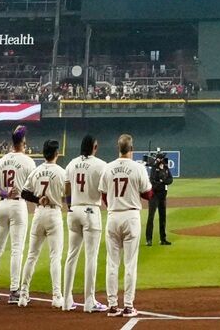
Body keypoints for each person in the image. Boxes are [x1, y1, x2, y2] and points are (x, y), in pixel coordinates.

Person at [102, 133, 152, 316]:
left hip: (113, 216)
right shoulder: (138, 168)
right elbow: (148, 195)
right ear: (131, 149)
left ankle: (112, 305)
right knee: (130, 263)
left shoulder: (108, 168)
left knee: (112, 263)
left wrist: (115, 205)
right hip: (131, 216)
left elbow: (103, 195)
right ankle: (129, 305)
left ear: (118, 148)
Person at [17, 138, 68, 308]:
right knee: (55, 257)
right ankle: (56, 296)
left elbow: (24, 193)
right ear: (56, 153)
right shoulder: (62, 172)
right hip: (54, 213)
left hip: (39, 213)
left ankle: (23, 295)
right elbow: (68, 196)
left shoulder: (36, 171)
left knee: (32, 255)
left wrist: (38, 198)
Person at [0, 127, 36, 299]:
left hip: (2, 206)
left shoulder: (1, 161)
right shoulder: (29, 162)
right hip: (17, 206)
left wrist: (4, 193)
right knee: (17, 249)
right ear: (23, 143)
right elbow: (34, 189)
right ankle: (15, 290)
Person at [63, 135, 107, 313]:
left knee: (71, 256)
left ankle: (66, 300)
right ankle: (89, 301)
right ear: (94, 147)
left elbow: (66, 190)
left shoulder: (71, 164)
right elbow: (104, 191)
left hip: (74, 210)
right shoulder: (101, 165)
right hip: (90, 210)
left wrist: (70, 206)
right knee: (91, 257)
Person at [144, 149, 172, 245]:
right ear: (159, 159)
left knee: (163, 217)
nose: (164, 159)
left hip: (162, 196)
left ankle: (163, 239)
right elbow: (152, 182)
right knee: (151, 217)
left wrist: (162, 181)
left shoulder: (165, 168)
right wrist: (161, 182)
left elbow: (170, 180)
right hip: (154, 196)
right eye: (163, 158)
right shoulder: (154, 169)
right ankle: (149, 239)